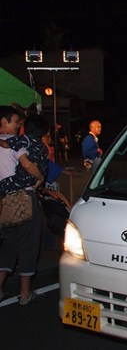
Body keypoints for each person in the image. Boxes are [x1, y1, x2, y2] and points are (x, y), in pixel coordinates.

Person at [0, 112, 50, 306]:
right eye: (15, 121)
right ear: (4, 122)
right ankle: (25, 293)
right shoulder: (18, 143)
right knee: (29, 243)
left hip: (4, 200)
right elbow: (28, 165)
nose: (18, 125)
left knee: (8, 245)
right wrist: (41, 178)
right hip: (23, 198)